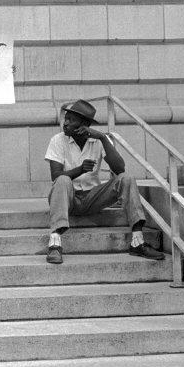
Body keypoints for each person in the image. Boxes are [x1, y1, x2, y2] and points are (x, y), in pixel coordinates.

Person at [44, 99, 165, 264]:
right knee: (63, 179)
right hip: (67, 199)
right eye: (66, 118)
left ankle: (137, 241)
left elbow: (120, 168)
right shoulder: (57, 140)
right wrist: (80, 169)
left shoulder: (99, 140)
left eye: (71, 120)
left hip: (93, 198)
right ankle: (55, 244)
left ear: (84, 124)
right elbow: (55, 176)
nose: (65, 123)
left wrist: (102, 137)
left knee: (127, 178)